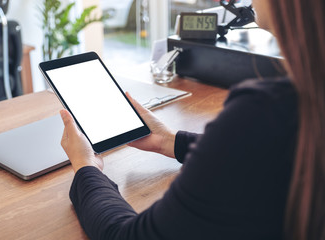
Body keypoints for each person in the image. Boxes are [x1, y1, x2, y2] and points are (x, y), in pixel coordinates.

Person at [59, 0, 325, 239]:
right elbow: (266, 151)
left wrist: (86, 168)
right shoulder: (296, 109)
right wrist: (171, 141)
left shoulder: (263, 110)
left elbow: (127, 235)